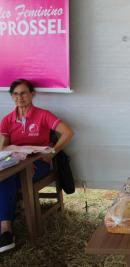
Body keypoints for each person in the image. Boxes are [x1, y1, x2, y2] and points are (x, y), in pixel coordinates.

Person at [0, 79, 74, 253]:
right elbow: (3, 147)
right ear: (12, 96)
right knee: (6, 178)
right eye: (16, 94)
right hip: (16, 163)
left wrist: (53, 152)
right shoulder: (7, 120)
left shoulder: (43, 115)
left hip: (39, 163)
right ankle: (6, 229)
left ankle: (5, 231)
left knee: (6, 181)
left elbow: (68, 133)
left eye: (24, 93)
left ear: (32, 94)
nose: (20, 97)